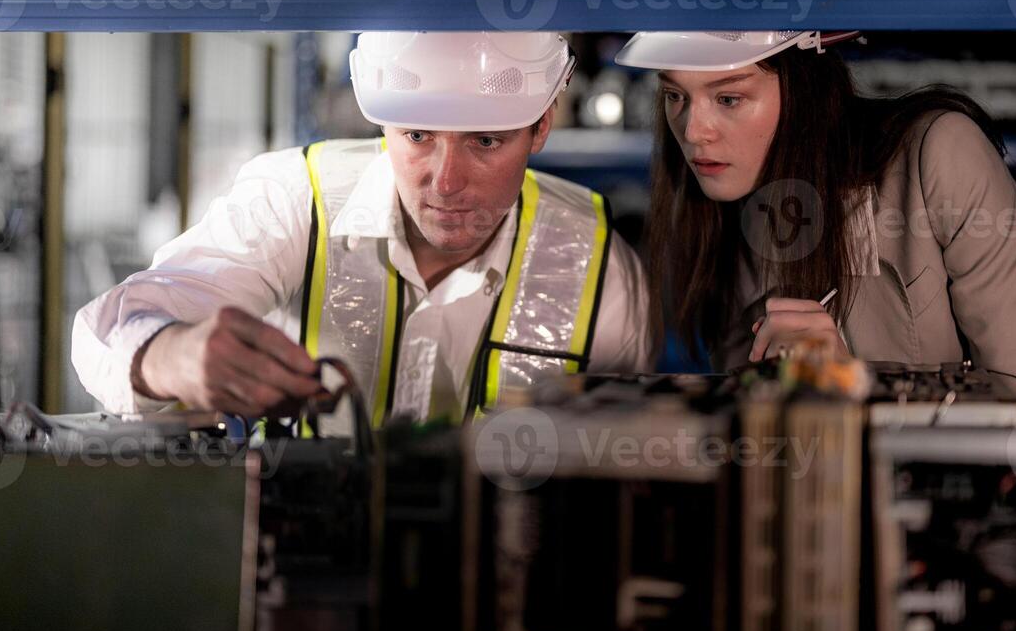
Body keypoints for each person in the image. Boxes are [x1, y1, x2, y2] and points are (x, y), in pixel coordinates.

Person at [74, 31, 651, 424]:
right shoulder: (294, 201)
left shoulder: (602, 271)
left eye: (485, 141)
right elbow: (107, 328)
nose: (445, 182)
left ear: (543, 124)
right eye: (417, 136)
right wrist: (168, 354)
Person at [616, 30, 1016, 405]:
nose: (694, 132)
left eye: (728, 99)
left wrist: (860, 382)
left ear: (803, 87)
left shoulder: (936, 157)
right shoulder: (716, 208)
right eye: (675, 96)